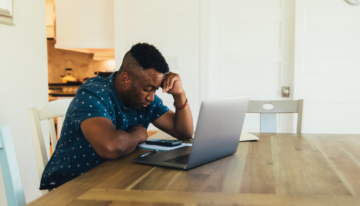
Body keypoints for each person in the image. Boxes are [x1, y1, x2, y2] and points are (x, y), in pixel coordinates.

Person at [40, 43, 193, 189]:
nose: (151, 97)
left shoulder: (145, 101)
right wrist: (137, 134)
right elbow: (110, 147)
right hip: (71, 185)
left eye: (155, 90)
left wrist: (179, 94)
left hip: (112, 177)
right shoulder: (92, 94)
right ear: (126, 79)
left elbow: (183, 132)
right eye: (147, 89)